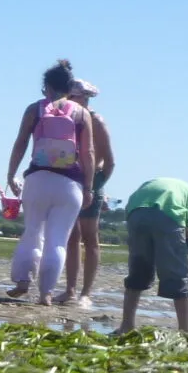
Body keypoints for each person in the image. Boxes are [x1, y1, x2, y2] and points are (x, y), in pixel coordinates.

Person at [2, 60, 96, 304]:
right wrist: (88, 187)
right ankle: (46, 294)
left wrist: (11, 173)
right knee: (58, 240)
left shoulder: (35, 109)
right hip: (70, 184)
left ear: (46, 86)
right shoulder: (82, 113)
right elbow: (88, 154)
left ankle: (23, 281)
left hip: (37, 178)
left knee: (32, 232)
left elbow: (21, 142)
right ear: (69, 88)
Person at [113, 177, 188, 335]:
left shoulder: (182, 191)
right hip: (168, 210)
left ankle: (127, 325)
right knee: (176, 276)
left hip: (136, 209)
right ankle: (185, 330)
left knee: (138, 272)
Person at [56, 79, 116, 308]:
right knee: (72, 237)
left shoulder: (96, 120)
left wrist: (95, 186)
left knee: (90, 238)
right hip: (70, 180)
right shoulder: (65, 119)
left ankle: (86, 292)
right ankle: (69, 289)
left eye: (73, 98)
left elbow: (110, 161)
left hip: (92, 181)